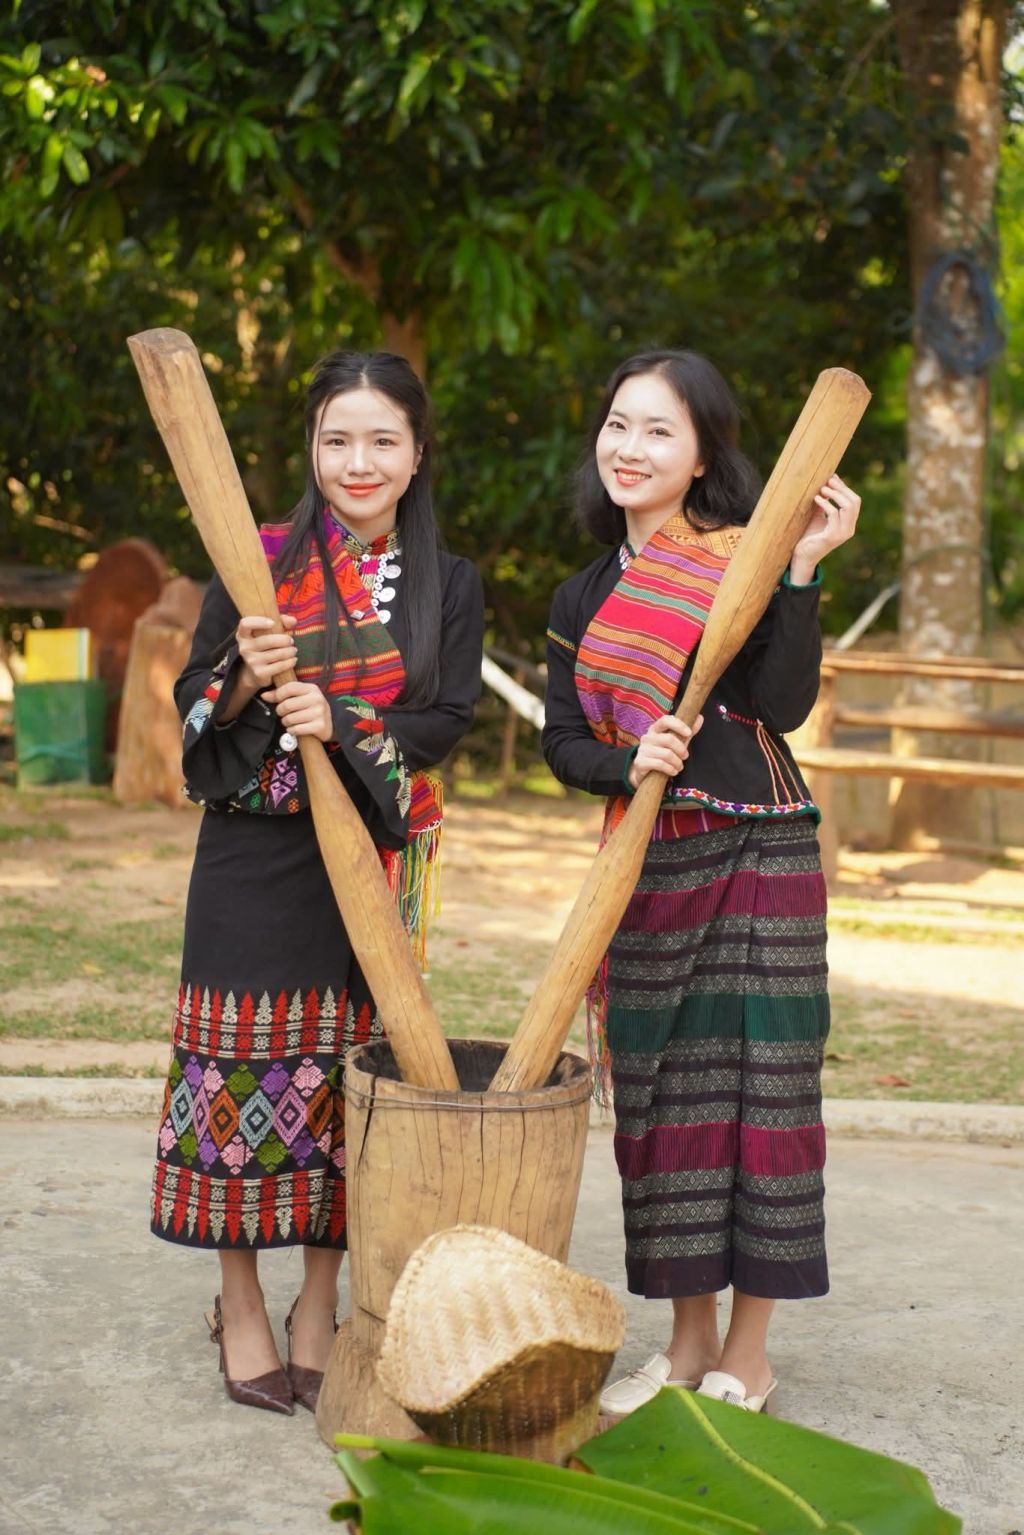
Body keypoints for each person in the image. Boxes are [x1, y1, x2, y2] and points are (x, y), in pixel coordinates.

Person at [150, 350, 484, 1415]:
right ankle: (239, 1299)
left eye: (382, 439)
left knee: (348, 1093)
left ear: (417, 453)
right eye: (337, 438)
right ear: (310, 448)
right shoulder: (251, 562)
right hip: (251, 865)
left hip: (373, 865)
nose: (358, 461)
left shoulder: (449, 583)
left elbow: (445, 724)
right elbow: (191, 712)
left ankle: (317, 1302)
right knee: (234, 1079)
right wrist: (246, 671)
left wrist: (345, 721)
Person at [541, 349, 859, 1415]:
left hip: (761, 843)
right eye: (618, 425)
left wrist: (803, 566)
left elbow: (779, 701)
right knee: (662, 1095)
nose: (630, 448)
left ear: (702, 453)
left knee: (760, 1089)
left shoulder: (743, 558)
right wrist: (625, 763)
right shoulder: (579, 594)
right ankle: (684, 1346)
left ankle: (749, 1356)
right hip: (645, 857)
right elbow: (559, 743)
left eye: (659, 432)